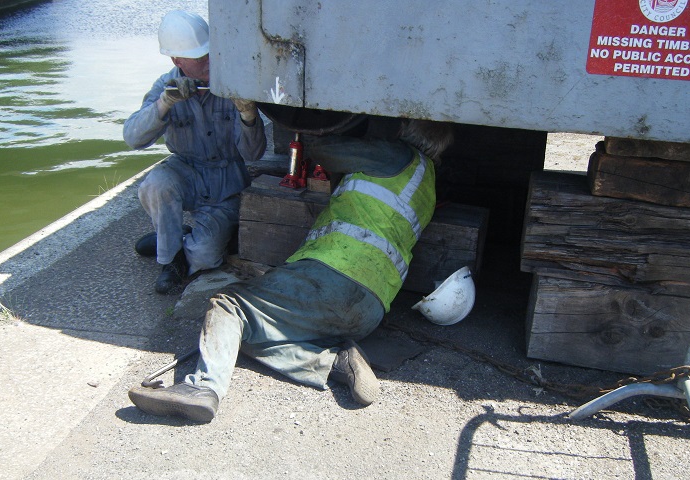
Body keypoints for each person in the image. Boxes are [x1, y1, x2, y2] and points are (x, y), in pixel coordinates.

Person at [128, 118, 454, 423]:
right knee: (248, 331)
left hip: (332, 278)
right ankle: (333, 362)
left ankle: (203, 387)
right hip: (370, 309)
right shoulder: (428, 182)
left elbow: (324, 151)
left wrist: (327, 130)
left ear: (406, 131)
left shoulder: (395, 154)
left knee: (229, 307)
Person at [123, 10, 266, 294]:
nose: (210, 62)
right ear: (177, 61)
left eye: (211, 53)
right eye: (200, 58)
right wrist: (164, 104)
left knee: (205, 257)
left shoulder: (232, 84)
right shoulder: (165, 85)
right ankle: (170, 260)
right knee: (156, 184)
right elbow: (133, 138)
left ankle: (175, 239)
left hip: (227, 181)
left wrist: (249, 116)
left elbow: (253, 155)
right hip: (186, 168)